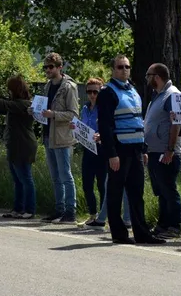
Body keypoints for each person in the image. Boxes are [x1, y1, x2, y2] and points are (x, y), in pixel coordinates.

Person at [97, 54, 162, 245]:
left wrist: (143, 149)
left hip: (135, 149)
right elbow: (106, 127)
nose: (124, 70)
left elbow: (137, 121)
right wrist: (112, 154)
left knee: (136, 193)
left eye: (127, 67)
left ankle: (142, 234)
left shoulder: (133, 90)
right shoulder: (107, 92)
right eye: (120, 67)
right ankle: (119, 233)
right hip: (119, 150)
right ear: (113, 69)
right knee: (116, 193)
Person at [0, 76, 37, 220]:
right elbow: (4, 106)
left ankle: (30, 209)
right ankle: (18, 208)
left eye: (10, 88)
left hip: (23, 145)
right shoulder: (17, 104)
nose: (8, 91)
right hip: (14, 145)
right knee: (17, 180)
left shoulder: (24, 105)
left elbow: (5, 105)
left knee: (25, 178)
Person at [81, 77, 132, 229]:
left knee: (107, 183)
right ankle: (96, 215)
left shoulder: (107, 106)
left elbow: (110, 126)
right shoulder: (85, 108)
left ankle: (110, 217)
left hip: (105, 149)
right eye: (89, 91)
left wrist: (101, 136)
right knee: (88, 183)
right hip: (89, 148)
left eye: (95, 92)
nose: (92, 95)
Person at [39, 52, 79, 223]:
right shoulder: (47, 86)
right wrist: (35, 111)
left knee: (65, 175)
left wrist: (53, 114)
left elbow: (73, 114)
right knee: (55, 176)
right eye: (46, 67)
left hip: (62, 137)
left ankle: (71, 210)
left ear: (59, 67)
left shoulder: (69, 87)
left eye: (51, 67)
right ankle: (59, 209)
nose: (48, 70)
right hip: (49, 135)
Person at [144, 64, 181, 238]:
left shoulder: (172, 95)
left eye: (148, 75)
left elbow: (176, 124)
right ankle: (163, 225)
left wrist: (170, 149)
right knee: (160, 191)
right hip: (154, 150)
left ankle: (174, 226)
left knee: (168, 189)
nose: (147, 79)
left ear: (157, 77)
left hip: (165, 151)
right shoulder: (158, 95)